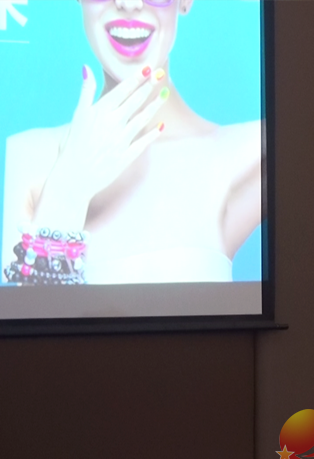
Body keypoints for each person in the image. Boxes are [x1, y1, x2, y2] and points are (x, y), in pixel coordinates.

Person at [1, 0, 261, 285]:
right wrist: (67, 192)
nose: (129, 4)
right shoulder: (27, 155)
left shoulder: (252, 151)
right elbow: (25, 309)